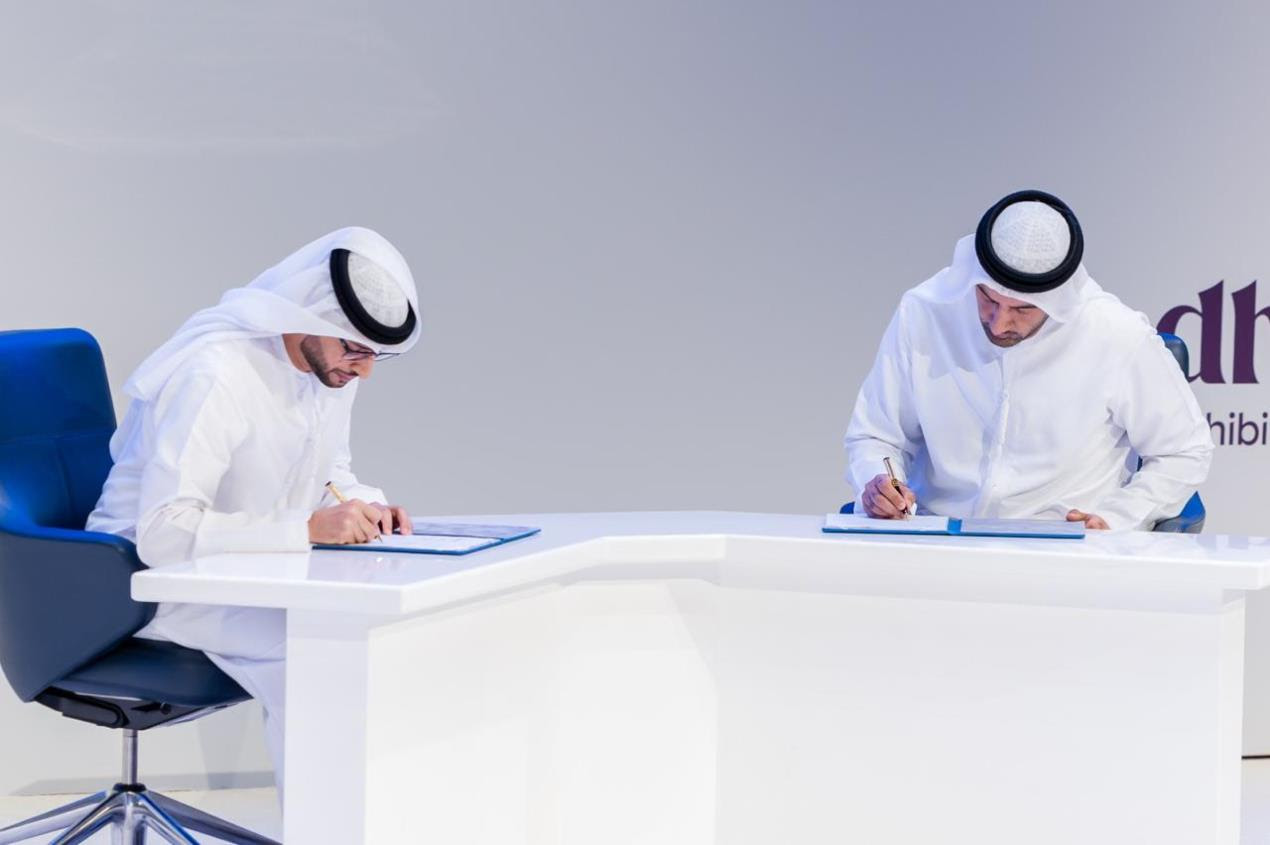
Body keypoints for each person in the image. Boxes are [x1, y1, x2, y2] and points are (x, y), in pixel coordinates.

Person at [87, 226, 420, 792]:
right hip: (141, 580)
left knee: (377, 635)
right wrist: (308, 529)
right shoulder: (215, 375)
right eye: (355, 350)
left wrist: (364, 504)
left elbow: (329, 473)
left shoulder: (328, 373)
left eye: (375, 355)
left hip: (241, 570)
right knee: (321, 652)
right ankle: (325, 829)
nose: (363, 370)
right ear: (307, 318)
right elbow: (163, 534)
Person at [844, 190, 1213, 530]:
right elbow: (876, 436)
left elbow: (1184, 452)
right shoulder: (925, 313)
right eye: (988, 299)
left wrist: (1116, 518)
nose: (999, 323)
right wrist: (880, 484)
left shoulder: (1115, 333)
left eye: (1022, 309)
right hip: (936, 538)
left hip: (1066, 552)